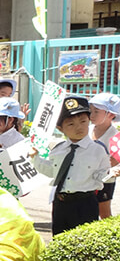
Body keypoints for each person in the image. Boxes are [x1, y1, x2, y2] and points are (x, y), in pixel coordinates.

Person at [30, 95, 111, 235]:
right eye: (71, 124)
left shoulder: (97, 150)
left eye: (83, 121)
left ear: (89, 121)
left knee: (83, 242)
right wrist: (35, 158)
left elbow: (102, 175)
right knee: (59, 239)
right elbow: (52, 171)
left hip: (85, 203)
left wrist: (111, 173)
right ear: (60, 128)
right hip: (61, 203)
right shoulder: (58, 149)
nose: (79, 127)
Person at [89, 91, 120, 219]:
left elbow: (114, 161)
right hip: (85, 177)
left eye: (97, 111)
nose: (92, 115)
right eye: (91, 110)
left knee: (104, 213)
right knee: (87, 211)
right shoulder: (86, 129)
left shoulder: (115, 137)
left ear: (111, 115)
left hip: (106, 179)